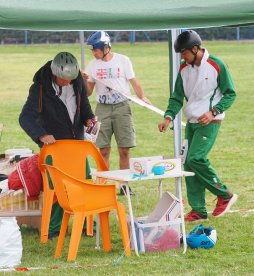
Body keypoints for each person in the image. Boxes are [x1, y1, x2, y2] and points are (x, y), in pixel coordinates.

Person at [158, 30, 238, 222]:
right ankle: (198, 211)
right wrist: (168, 117)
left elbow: (231, 93)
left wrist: (213, 112)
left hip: (210, 122)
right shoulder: (183, 69)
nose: (182, 57)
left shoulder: (216, 65)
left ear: (196, 49)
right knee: (188, 164)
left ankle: (224, 194)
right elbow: (177, 97)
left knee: (196, 158)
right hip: (191, 123)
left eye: (184, 53)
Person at [19, 52, 95, 238]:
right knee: (57, 188)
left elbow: (83, 105)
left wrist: (89, 119)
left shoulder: (76, 81)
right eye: (63, 80)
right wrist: (41, 135)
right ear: (54, 73)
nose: (67, 83)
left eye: (71, 79)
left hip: (77, 144)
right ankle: (54, 229)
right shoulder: (39, 89)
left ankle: (87, 224)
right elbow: (25, 118)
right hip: (55, 147)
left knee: (84, 183)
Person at [82, 31, 151, 195]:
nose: (94, 53)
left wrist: (142, 97)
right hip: (102, 108)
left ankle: (125, 185)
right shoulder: (93, 65)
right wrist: (85, 80)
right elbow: (88, 93)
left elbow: (133, 80)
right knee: (103, 150)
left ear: (105, 47)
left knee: (124, 149)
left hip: (122, 107)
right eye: (92, 50)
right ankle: (104, 185)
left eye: (96, 49)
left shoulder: (123, 60)